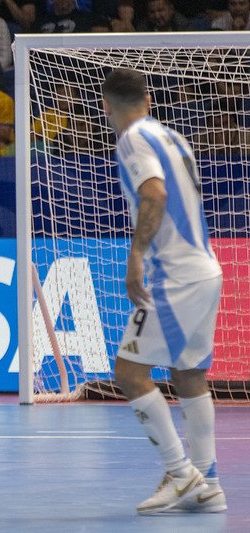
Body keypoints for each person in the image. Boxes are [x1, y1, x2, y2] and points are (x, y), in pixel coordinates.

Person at [102, 68, 227, 515]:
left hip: (175, 277)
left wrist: (136, 255)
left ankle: (180, 473)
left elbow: (153, 195)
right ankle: (208, 483)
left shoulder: (133, 138)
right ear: (149, 98)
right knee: (190, 377)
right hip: (206, 270)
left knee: (129, 373)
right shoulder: (172, 136)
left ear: (106, 105)